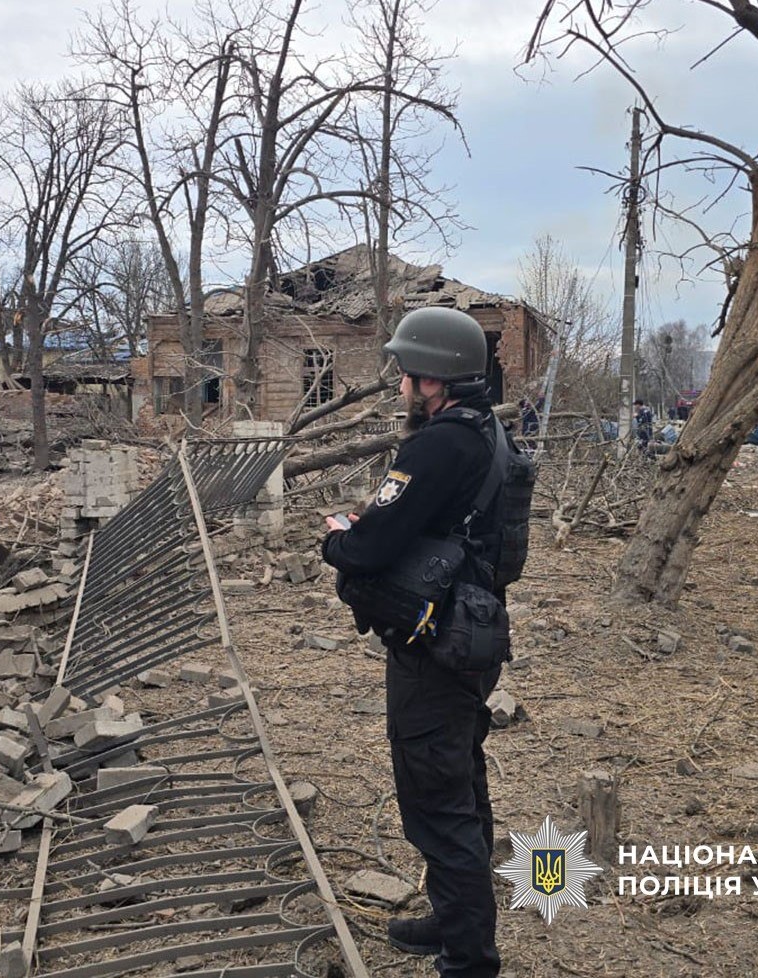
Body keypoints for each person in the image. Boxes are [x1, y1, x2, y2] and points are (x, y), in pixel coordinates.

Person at [322, 307, 504, 978]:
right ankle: (454, 924)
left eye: (406, 370)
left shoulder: (437, 445)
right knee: (460, 785)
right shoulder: (486, 431)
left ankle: (469, 960)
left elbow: (368, 549)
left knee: (438, 803)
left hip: (434, 646)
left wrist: (339, 539)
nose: (399, 381)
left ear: (434, 379)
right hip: (471, 634)